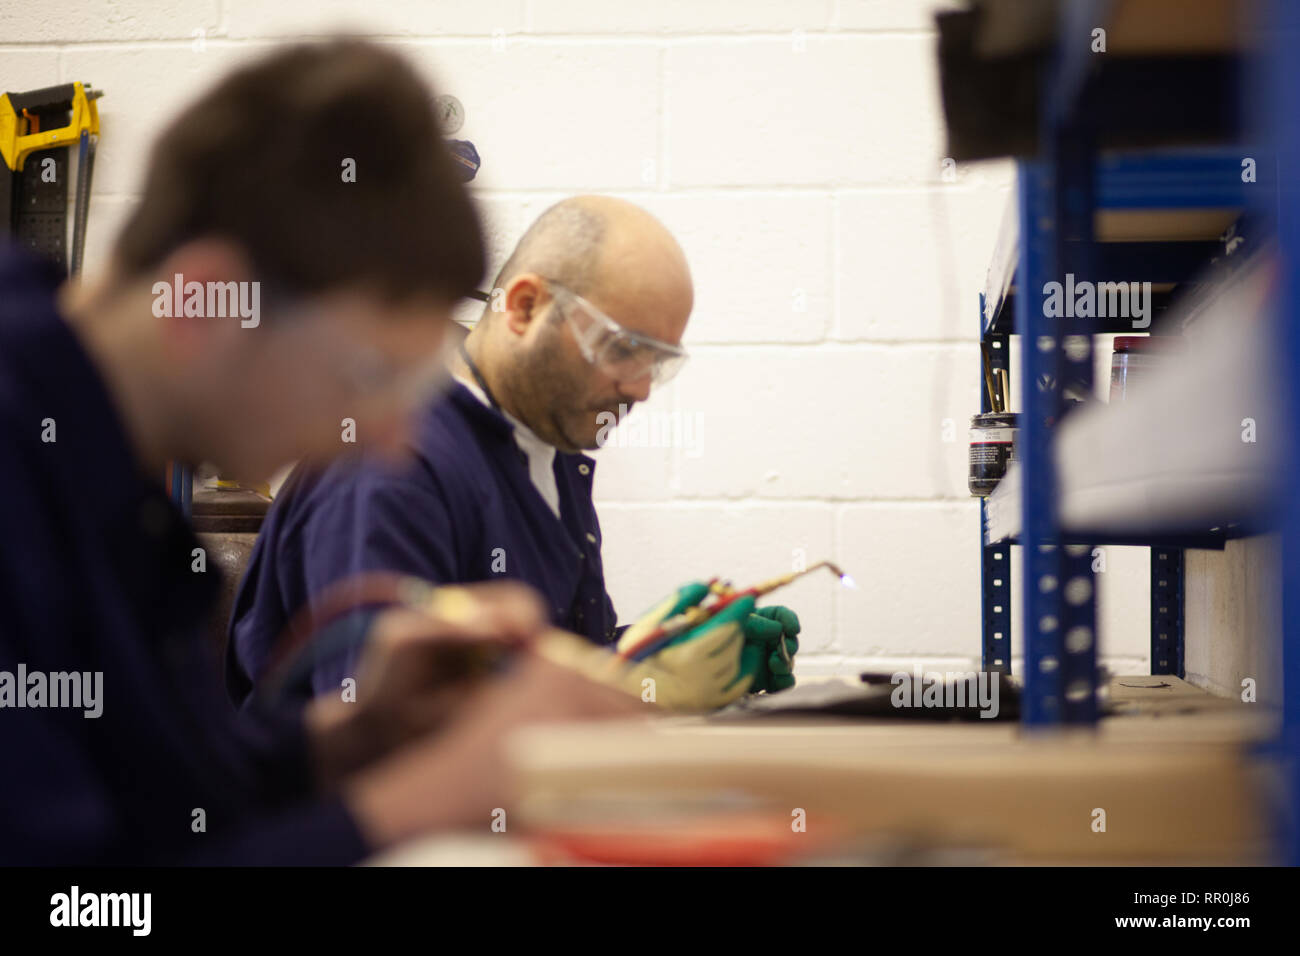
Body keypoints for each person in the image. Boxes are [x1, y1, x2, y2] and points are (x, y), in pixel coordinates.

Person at [0, 39, 639, 866]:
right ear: (204, 302)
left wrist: (348, 736)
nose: (390, 436)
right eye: (366, 375)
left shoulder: (115, 469)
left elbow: (159, 810)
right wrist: (423, 798)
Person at [228, 196, 803, 709]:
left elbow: (536, 663)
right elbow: (387, 743)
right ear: (525, 308)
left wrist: (663, 651)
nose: (641, 388)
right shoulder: (390, 466)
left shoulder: (545, 448)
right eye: (624, 349)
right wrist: (628, 695)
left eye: (658, 361)